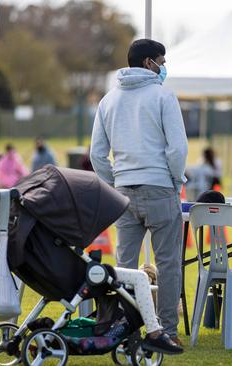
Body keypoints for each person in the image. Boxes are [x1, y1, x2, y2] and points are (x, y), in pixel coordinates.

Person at [91, 39, 187, 349]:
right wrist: (175, 179)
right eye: (161, 60)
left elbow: (97, 154)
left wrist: (115, 180)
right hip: (160, 186)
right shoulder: (163, 96)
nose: (164, 66)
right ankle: (166, 331)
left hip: (123, 191)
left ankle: (125, 328)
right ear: (148, 63)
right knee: (169, 263)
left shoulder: (108, 100)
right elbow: (177, 148)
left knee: (124, 267)